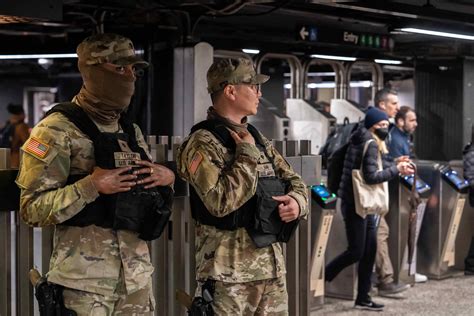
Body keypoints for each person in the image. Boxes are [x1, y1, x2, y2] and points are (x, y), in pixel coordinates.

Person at [16, 33, 175, 315]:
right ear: (92, 71)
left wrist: (165, 178)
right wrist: (91, 186)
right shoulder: (54, 130)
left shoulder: (130, 130)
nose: (130, 77)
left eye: (133, 70)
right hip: (85, 286)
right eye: (119, 68)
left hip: (136, 281)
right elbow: (31, 209)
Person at [176, 58, 308, 315]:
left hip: (271, 270)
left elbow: (295, 181)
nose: (259, 93)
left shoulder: (257, 138)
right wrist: (245, 154)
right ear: (230, 90)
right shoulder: (202, 143)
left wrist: (297, 203)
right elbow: (219, 202)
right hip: (228, 276)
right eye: (253, 85)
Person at [325, 107, 414, 311]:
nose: (385, 129)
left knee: (369, 250)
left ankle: (363, 297)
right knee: (357, 251)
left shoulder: (363, 139)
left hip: (361, 203)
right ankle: (324, 275)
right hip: (358, 204)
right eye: (381, 125)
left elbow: (370, 166)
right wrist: (396, 170)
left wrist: (393, 162)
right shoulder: (370, 143)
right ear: (373, 126)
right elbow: (371, 177)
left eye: (386, 125)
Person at [372, 88, 413, 295]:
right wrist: (395, 167)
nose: (397, 108)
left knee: (376, 234)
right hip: (370, 194)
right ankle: (384, 280)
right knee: (380, 232)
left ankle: (372, 281)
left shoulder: (383, 130)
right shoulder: (374, 130)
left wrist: (394, 161)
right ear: (382, 105)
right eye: (394, 104)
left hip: (377, 192)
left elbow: (379, 160)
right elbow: (371, 166)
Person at [0, 103, 30, 168]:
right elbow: (28, 144)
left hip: (5, 159)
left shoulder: (7, 124)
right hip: (17, 161)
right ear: (21, 114)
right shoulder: (22, 126)